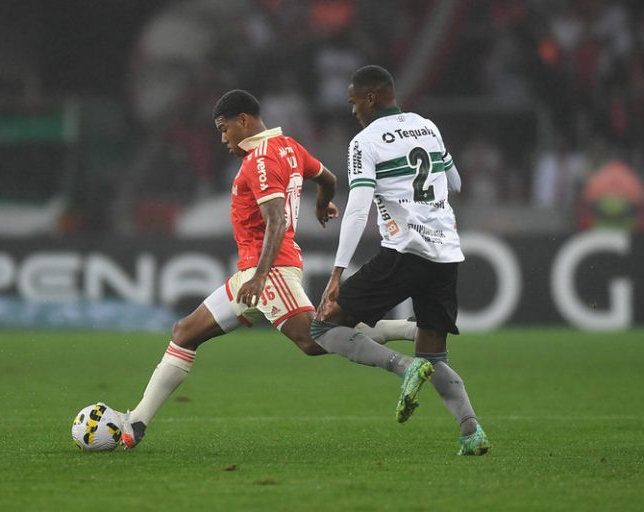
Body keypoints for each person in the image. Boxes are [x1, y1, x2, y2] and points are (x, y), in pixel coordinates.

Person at [116, 89, 416, 449]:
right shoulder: (289, 146)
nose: (222, 138)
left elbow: (274, 220)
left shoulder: (259, 159)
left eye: (224, 129)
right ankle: (136, 423)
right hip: (252, 272)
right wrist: (322, 205)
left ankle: (408, 340)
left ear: (243, 120)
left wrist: (260, 275)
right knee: (184, 332)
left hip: (268, 270)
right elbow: (329, 180)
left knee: (313, 339)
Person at [310, 65, 490, 456]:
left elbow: (358, 210)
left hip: (403, 252)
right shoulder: (428, 126)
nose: (353, 110)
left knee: (322, 327)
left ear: (371, 98)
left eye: (354, 102)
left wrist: (337, 272)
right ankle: (470, 430)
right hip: (445, 253)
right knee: (434, 354)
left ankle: (401, 366)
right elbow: (456, 182)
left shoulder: (365, 141)